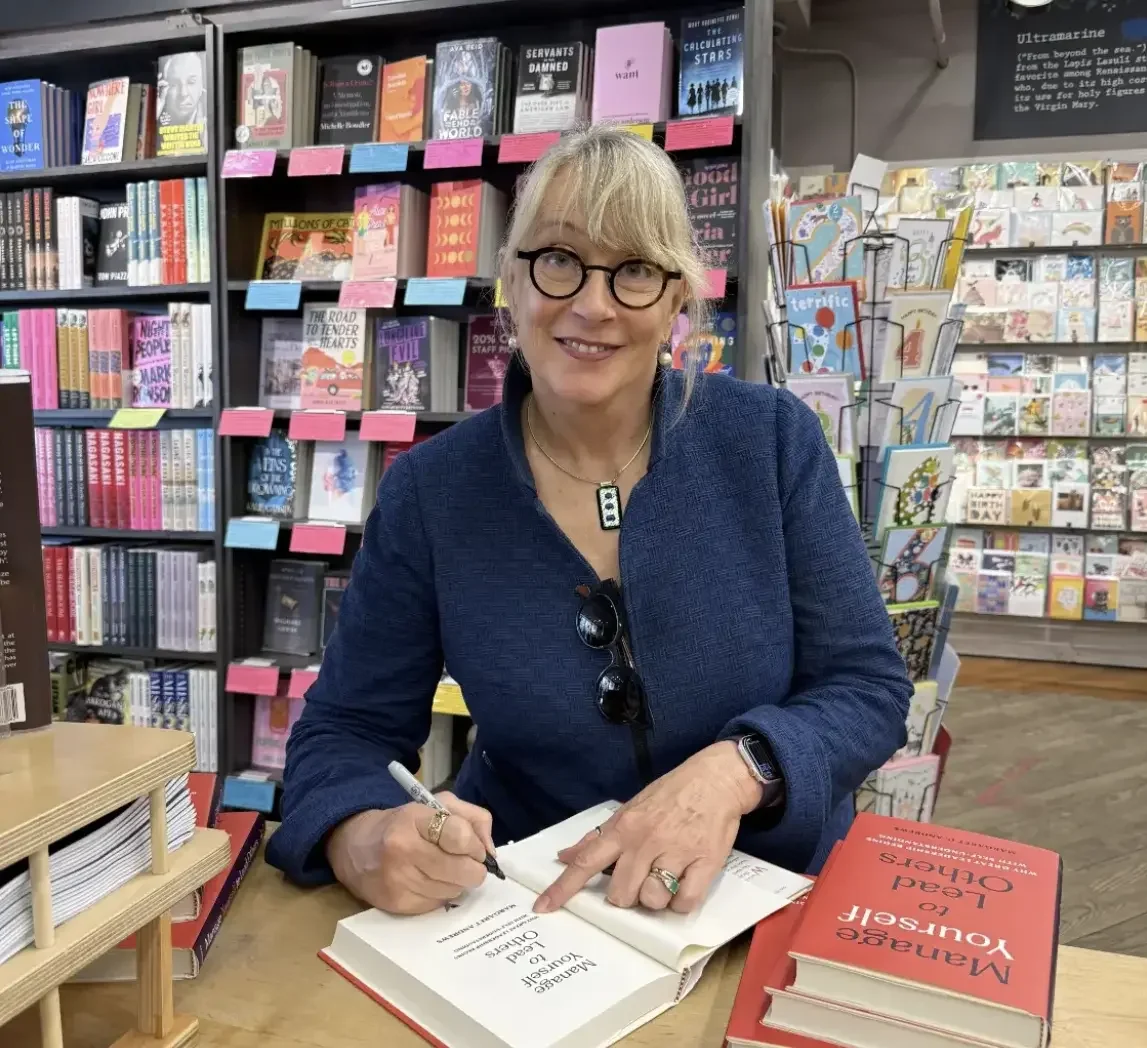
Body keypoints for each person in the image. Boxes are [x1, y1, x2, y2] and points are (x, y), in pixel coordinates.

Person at [266, 125, 912, 919]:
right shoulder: (433, 492)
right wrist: (362, 835)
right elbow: (344, 730)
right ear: (511, 277)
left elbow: (869, 687)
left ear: (680, 294)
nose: (593, 304)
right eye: (560, 260)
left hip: (760, 897)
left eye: (635, 269)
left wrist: (739, 767)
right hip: (531, 912)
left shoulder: (770, 442)